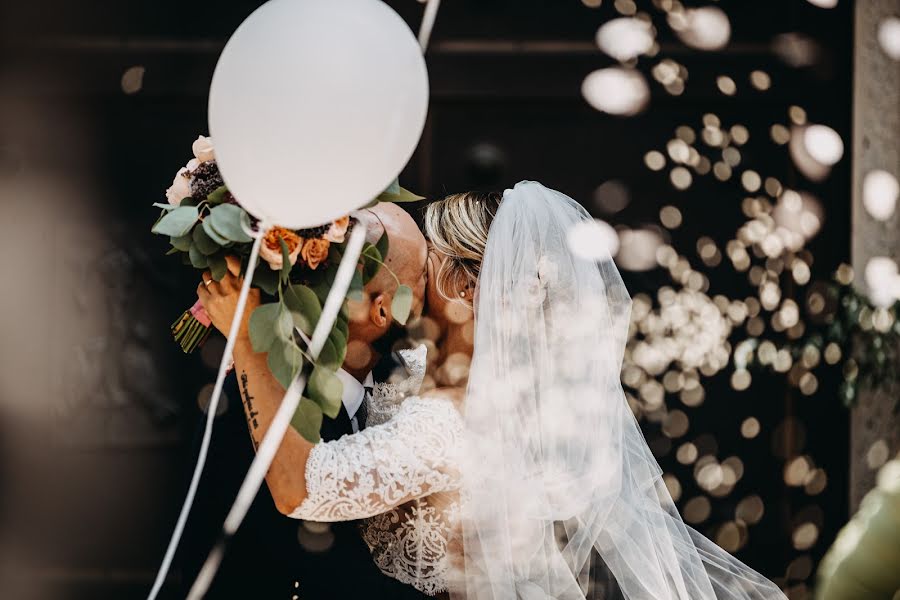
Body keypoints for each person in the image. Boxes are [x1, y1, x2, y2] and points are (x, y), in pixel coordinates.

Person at [200, 182, 788, 599]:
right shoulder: (422, 370)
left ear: (465, 286)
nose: (407, 279)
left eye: (425, 266)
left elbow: (298, 488)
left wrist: (249, 341)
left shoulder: (456, 426)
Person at [182, 202, 430, 599]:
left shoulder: (400, 377)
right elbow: (325, 577)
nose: (431, 287)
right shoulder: (252, 407)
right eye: (422, 275)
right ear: (383, 310)